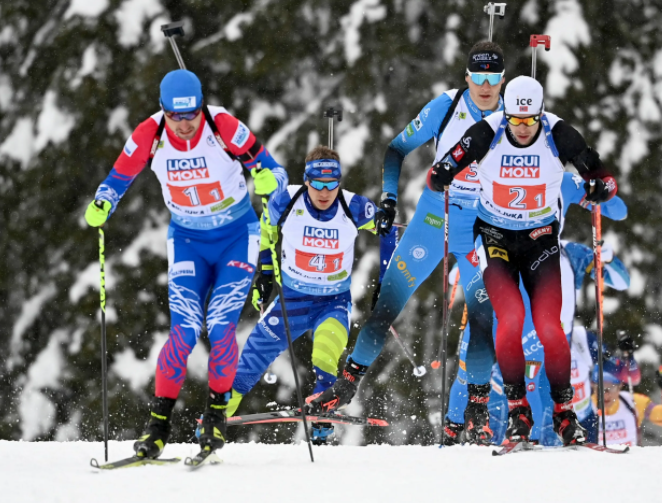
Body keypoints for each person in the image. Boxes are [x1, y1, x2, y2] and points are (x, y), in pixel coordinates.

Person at [309, 41, 506, 445]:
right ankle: (345, 387)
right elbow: (396, 149)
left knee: (484, 318)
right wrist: (389, 197)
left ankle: (478, 411)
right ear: (466, 76)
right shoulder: (446, 108)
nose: (485, 86)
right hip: (434, 218)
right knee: (387, 305)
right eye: (478, 77)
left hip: (482, 226)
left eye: (494, 78)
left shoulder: (513, 117)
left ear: (502, 80)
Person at [84, 69, 287, 458]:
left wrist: (268, 183)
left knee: (221, 326)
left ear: (200, 106)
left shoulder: (222, 125)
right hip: (188, 240)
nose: (183, 124)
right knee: (184, 331)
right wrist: (103, 201)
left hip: (236, 237)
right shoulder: (150, 133)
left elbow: (274, 171)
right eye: (174, 116)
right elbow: (118, 176)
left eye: (190, 114)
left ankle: (214, 418)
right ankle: (157, 426)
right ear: (163, 111)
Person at [427, 75, 619, 445]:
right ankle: (518, 411)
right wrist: (441, 175)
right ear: (507, 114)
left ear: (540, 114)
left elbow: (602, 176)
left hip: (540, 239)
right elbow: (446, 164)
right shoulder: (487, 131)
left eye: (530, 120)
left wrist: (601, 187)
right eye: (516, 120)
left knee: (550, 327)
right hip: (496, 239)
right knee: (511, 319)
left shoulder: (558, 132)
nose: (524, 128)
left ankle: (565, 414)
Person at [444, 172, 628, 445]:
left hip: (535, 279)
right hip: (497, 272)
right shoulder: (495, 171)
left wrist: (602, 190)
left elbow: (618, 210)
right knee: (468, 368)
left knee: (529, 378)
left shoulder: (561, 178)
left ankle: (528, 437)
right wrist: (465, 263)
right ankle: (452, 435)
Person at [228, 145, 377, 445]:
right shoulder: (285, 201)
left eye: (331, 183)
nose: (324, 192)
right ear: (306, 180)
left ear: (339, 181)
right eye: (317, 184)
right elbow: (267, 230)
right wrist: (265, 275)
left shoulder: (355, 207)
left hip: (332, 303)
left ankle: (323, 419)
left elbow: (389, 229)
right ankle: (215, 417)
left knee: (325, 354)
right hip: (292, 302)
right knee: (249, 361)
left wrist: (388, 277)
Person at [592, 361, 662, 446]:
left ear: (620, 385)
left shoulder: (633, 402)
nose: (605, 395)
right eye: (600, 388)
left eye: (611, 388)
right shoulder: (584, 407)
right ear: (592, 386)